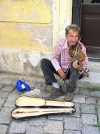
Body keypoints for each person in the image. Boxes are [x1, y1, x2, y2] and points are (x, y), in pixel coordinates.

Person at [40, 24, 89, 101]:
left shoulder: (81, 47)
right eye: (71, 36)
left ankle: (70, 91)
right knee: (44, 62)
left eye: (76, 36)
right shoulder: (60, 43)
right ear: (66, 35)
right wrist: (59, 70)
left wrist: (80, 68)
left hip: (74, 73)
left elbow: (86, 66)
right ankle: (56, 88)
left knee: (74, 65)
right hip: (62, 70)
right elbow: (54, 58)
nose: (74, 39)